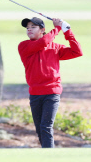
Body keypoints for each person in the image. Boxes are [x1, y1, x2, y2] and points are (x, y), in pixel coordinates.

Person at [18, 17, 83, 148]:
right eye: (27, 28)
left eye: (33, 27)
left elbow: (77, 51)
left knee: (46, 126)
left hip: (51, 92)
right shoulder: (24, 46)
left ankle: (50, 156)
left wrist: (67, 31)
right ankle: (47, 153)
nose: (29, 29)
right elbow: (42, 43)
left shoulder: (55, 47)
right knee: (39, 129)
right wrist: (58, 28)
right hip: (35, 94)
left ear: (42, 30)